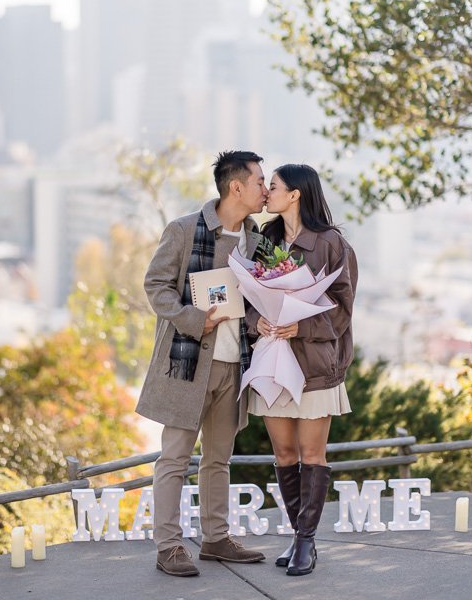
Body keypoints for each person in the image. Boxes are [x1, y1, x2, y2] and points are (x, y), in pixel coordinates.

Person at [136, 150, 269, 577]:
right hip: (187, 363)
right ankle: (169, 546)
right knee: (174, 457)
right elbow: (156, 286)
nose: (265, 190)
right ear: (237, 187)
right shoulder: (183, 230)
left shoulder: (259, 242)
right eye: (260, 182)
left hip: (237, 364)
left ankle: (216, 538)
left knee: (218, 459)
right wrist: (196, 319)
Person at [246, 164, 358, 576]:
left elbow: (343, 310)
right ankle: (298, 536)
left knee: (312, 454)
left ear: (294, 195)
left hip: (313, 365)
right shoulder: (265, 239)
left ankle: (306, 544)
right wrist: (253, 322)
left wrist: (302, 325)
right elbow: (248, 298)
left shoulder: (332, 244)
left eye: (272, 186)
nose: (266, 193)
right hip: (273, 361)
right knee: (284, 453)